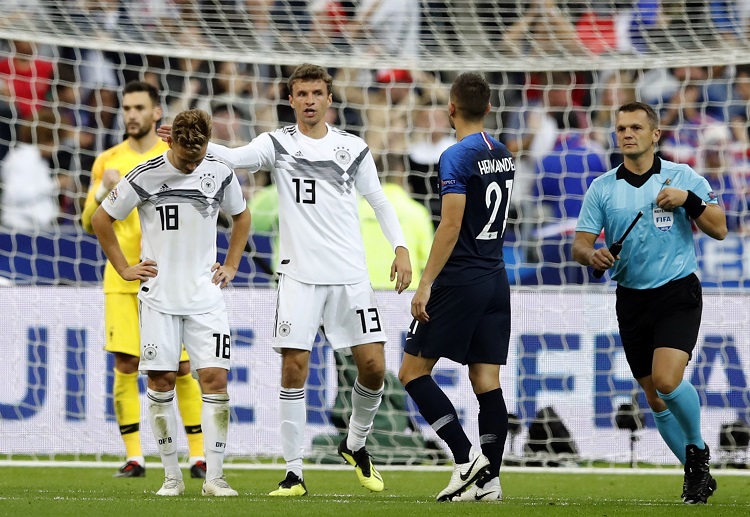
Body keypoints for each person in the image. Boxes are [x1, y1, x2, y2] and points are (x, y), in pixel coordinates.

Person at [160, 63, 412, 496]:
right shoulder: (276, 144)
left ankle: (355, 443)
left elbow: (380, 202)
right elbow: (235, 157)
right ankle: (294, 472)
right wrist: (196, 142)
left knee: (374, 369)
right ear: (291, 99)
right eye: (302, 93)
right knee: (294, 368)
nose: (310, 100)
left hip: (351, 277)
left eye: (317, 92)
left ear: (329, 99)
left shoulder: (352, 148)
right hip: (298, 277)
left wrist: (401, 248)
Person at [572, 101, 726, 505]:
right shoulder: (602, 187)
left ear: (655, 135)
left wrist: (689, 201)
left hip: (677, 291)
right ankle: (697, 476)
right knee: (655, 398)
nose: (627, 133)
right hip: (631, 299)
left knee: (667, 380)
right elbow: (580, 244)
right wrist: (594, 255)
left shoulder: (682, 176)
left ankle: (696, 452)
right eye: (621, 127)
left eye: (636, 127)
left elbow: (721, 228)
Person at [91, 109, 251, 497]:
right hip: (159, 299)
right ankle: (170, 477)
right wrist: (124, 268)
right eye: (184, 157)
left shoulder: (219, 173)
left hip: (205, 298)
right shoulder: (144, 174)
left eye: (197, 157)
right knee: (160, 382)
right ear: (171, 142)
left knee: (215, 380)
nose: (191, 163)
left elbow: (241, 218)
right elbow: (100, 218)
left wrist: (231, 265)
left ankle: (214, 477)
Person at [81, 81, 207, 479]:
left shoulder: (172, 154)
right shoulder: (107, 160)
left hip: (168, 275)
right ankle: (135, 456)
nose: (131, 114)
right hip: (122, 277)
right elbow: (88, 222)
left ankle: (198, 455)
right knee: (126, 362)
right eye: (126, 107)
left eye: (139, 107)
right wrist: (104, 189)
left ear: (156, 113)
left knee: (182, 366)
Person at [398, 72, 514, 502]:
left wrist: (425, 284)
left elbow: (450, 224)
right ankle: (490, 483)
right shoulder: (503, 153)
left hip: (461, 276)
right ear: (487, 108)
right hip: (495, 276)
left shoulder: (455, 156)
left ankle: (466, 460)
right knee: (487, 380)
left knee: (412, 372)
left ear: (451, 108)